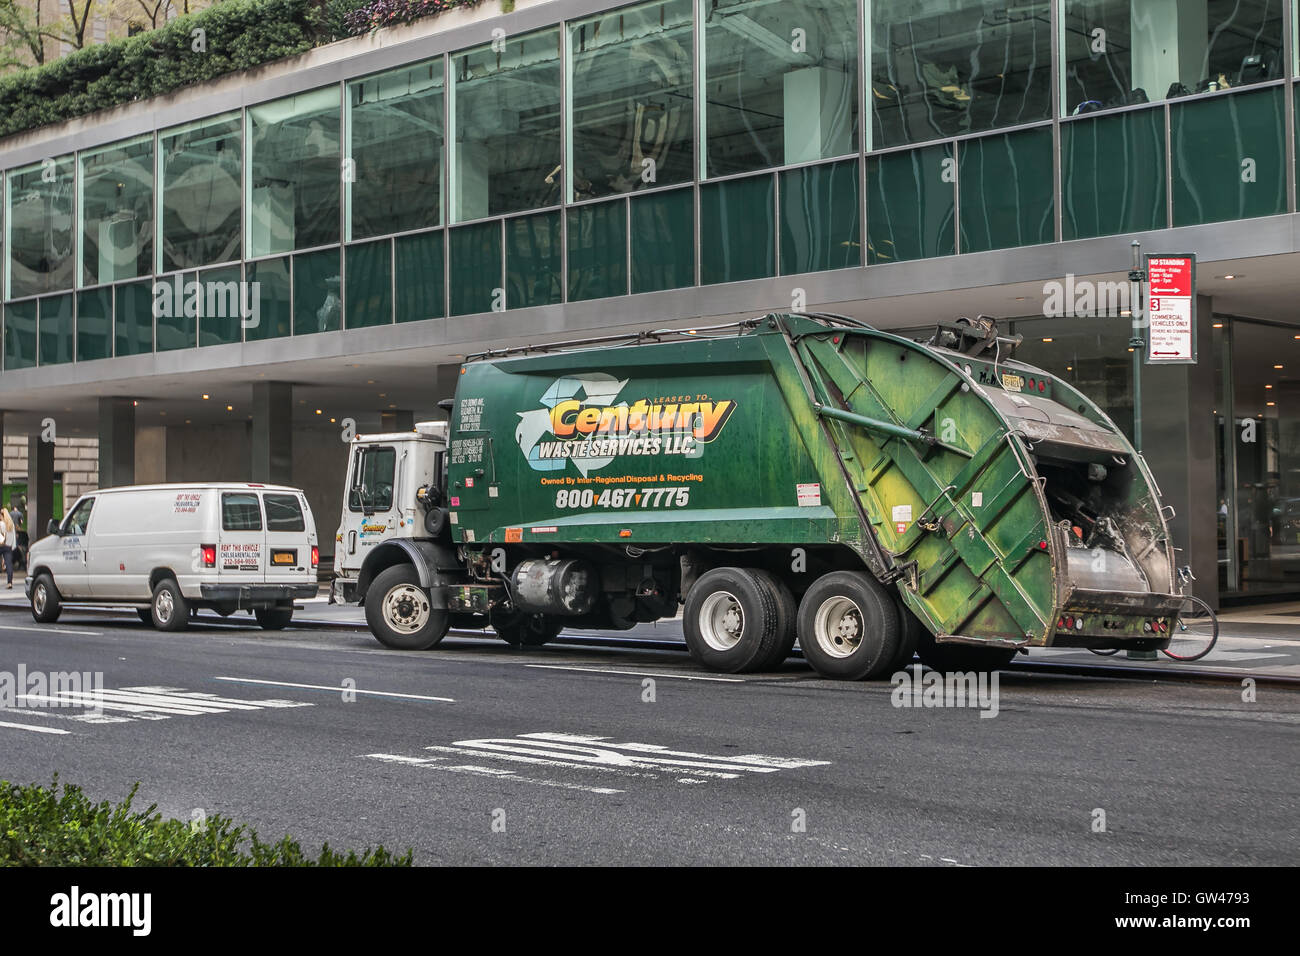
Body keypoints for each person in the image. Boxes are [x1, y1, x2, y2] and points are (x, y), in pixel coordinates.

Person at [0, 504, 15, 589]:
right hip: (8, 546)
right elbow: (13, 537)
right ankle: (9, 583)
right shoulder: (11, 524)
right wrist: (12, 546)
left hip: (1, 545)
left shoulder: (1, 524)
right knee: (9, 564)